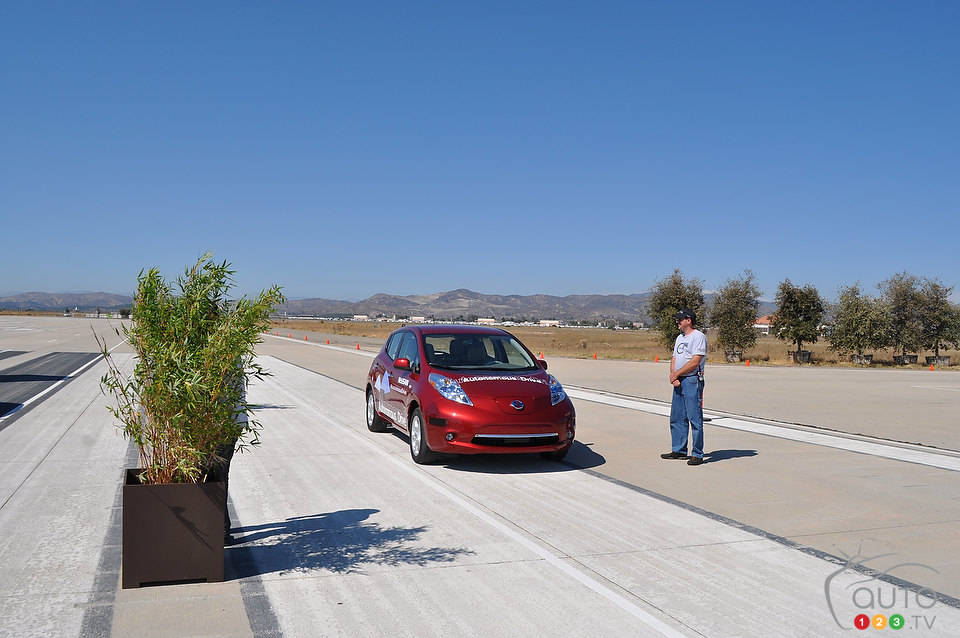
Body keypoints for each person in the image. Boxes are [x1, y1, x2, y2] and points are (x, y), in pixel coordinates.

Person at [660, 308, 707, 466]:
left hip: (692, 380)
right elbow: (674, 358)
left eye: (680, 319)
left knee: (694, 417)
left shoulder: (698, 337)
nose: (677, 322)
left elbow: (695, 361)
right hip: (679, 380)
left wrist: (677, 374)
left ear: (689, 320)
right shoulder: (679, 338)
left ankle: (697, 453)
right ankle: (679, 450)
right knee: (677, 417)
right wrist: (673, 375)